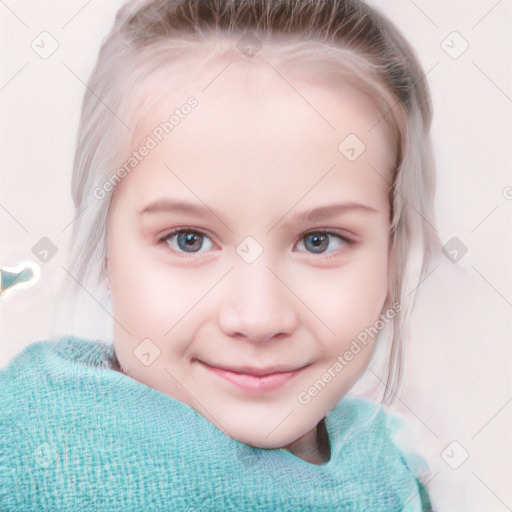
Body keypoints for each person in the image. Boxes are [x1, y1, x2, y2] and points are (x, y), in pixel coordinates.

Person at [0, 0, 439, 509]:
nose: (257, 318)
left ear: (392, 251)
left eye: (320, 240)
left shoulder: (391, 477)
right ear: (105, 249)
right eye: (189, 239)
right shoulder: (32, 464)